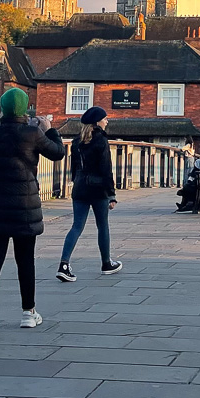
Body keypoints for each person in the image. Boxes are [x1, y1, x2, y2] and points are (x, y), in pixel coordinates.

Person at [0, 86, 66, 338]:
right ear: (25, 109)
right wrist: (48, 128)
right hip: (24, 207)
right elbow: (58, 153)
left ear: (3, 108)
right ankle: (28, 313)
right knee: (25, 261)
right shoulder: (33, 133)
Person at [57, 107, 122, 281]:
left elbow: (74, 168)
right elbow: (106, 169)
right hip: (98, 189)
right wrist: (111, 194)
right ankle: (106, 263)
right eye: (105, 119)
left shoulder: (76, 142)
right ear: (97, 122)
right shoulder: (101, 140)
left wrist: (76, 182)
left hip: (80, 188)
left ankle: (64, 264)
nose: (107, 121)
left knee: (76, 226)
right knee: (103, 225)